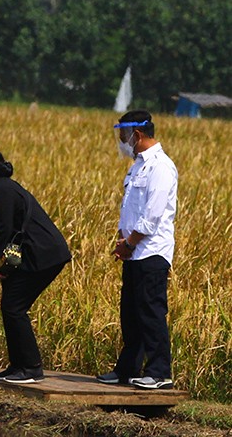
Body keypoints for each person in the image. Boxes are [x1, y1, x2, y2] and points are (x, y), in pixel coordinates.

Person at [0, 147, 71, 384]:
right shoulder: (6, 186)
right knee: (11, 304)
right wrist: (4, 263)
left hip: (44, 254)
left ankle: (31, 368)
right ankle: (18, 365)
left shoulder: (1, 190)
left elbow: (4, 230)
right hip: (36, 252)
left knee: (14, 307)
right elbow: (13, 230)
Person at [97, 110, 178, 390]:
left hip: (151, 251)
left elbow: (152, 216)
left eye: (124, 136)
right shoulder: (137, 166)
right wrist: (123, 239)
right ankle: (127, 370)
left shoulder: (161, 167)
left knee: (151, 312)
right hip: (133, 250)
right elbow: (129, 210)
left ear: (138, 135)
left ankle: (159, 372)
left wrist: (129, 243)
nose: (122, 142)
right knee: (130, 314)